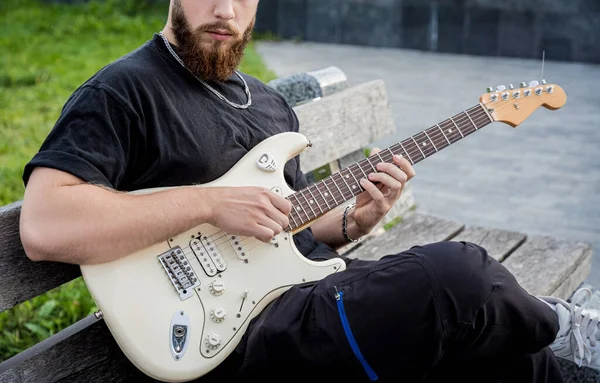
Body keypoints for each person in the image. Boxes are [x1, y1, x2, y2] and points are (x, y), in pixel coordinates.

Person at [18, 0, 600, 382]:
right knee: (459, 274)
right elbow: (45, 227)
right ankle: (566, 326)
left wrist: (355, 222)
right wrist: (208, 202)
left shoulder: (268, 102)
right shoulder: (125, 90)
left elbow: (282, 228)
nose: (224, 11)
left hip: (312, 300)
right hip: (243, 339)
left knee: (501, 355)